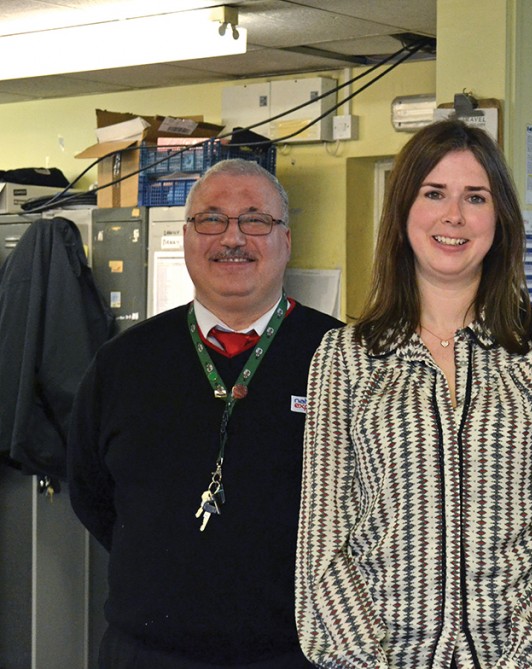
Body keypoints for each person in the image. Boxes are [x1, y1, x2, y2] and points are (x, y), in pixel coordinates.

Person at [296, 119, 532, 668]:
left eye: (475, 198)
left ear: (500, 217)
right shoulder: (344, 357)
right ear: (403, 212)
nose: (453, 216)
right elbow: (324, 539)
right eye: (433, 193)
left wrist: (525, 662)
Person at [68, 158, 343, 668]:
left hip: (299, 655)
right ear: (188, 237)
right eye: (211, 219)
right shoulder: (124, 361)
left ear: (287, 240)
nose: (232, 238)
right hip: (147, 654)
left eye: (255, 220)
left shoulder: (346, 359)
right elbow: (91, 492)